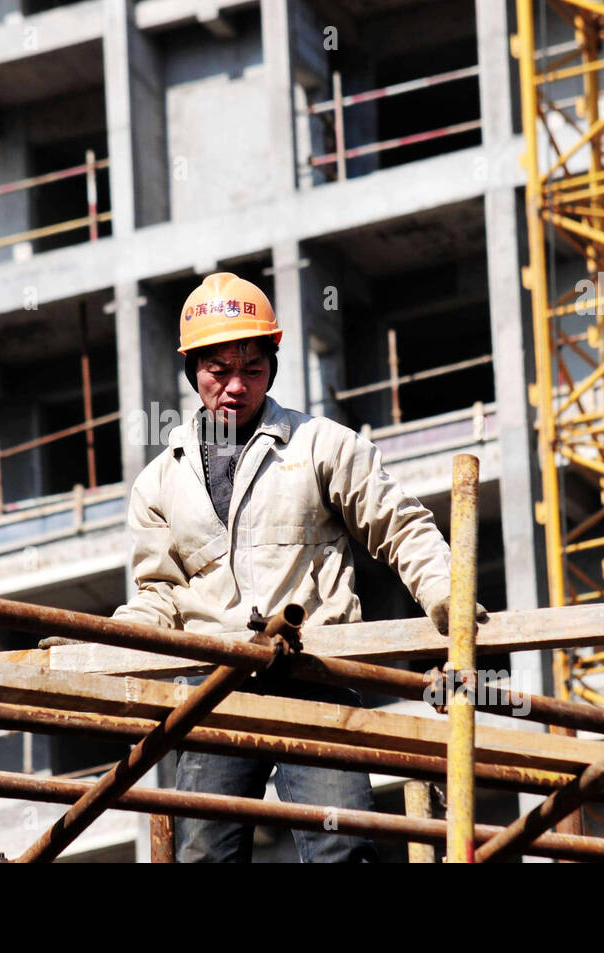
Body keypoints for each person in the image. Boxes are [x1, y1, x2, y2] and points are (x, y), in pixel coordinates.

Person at [108, 272, 485, 862]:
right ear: (192, 372)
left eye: (251, 369)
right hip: (215, 690)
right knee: (205, 853)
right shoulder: (159, 482)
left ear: (272, 367)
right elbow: (160, 596)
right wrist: (108, 642)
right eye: (218, 371)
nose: (235, 386)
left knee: (342, 848)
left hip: (316, 674)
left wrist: (445, 595)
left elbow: (399, 524)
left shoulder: (322, 445)